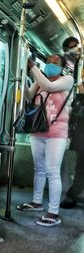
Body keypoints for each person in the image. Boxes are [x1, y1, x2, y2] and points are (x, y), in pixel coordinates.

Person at [16, 54, 74, 227]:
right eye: (48, 62)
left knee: (52, 171)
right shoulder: (40, 80)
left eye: (55, 62)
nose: (50, 65)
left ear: (62, 66)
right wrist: (22, 80)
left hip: (56, 133)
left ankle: (53, 212)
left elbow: (49, 86)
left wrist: (32, 66)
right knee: (39, 169)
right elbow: (28, 96)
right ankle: (36, 202)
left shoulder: (67, 80)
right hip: (38, 130)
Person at [60, 37, 83, 209]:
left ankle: (72, 194)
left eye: (76, 47)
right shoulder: (66, 70)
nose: (74, 50)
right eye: (70, 48)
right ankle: (72, 193)